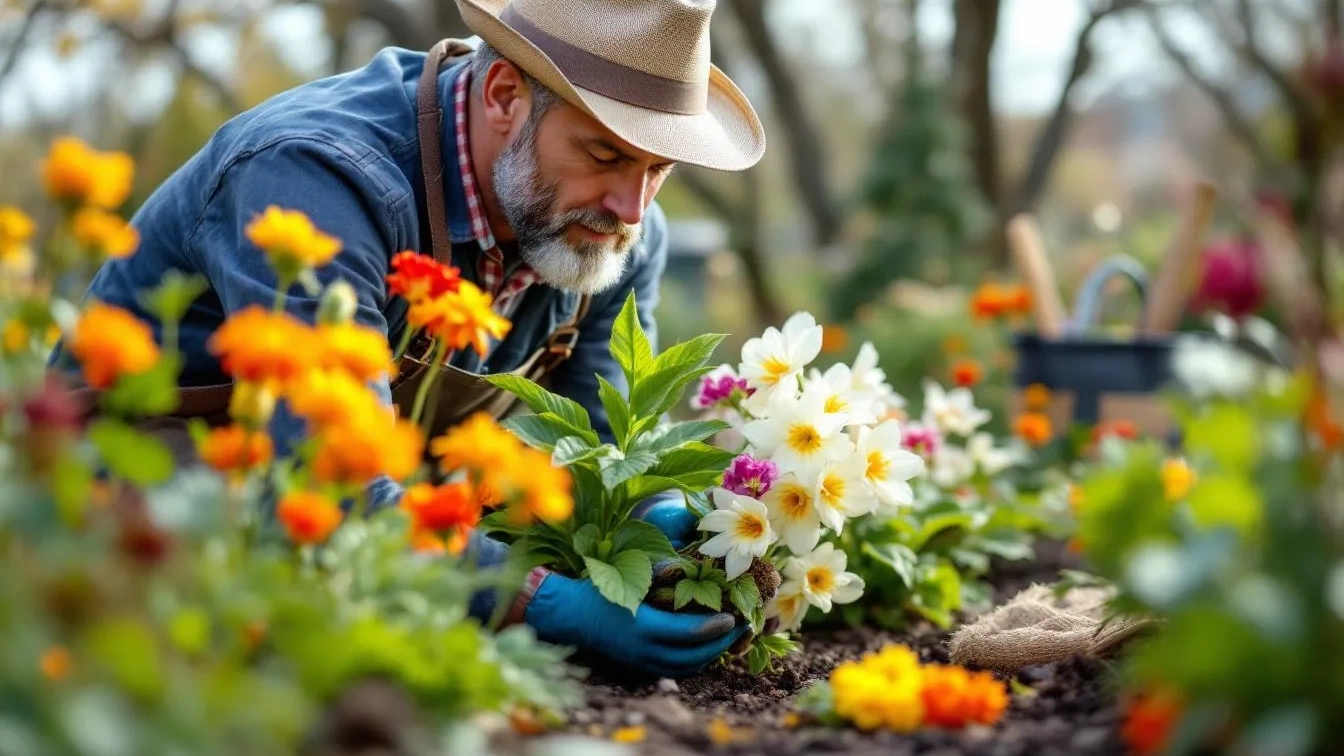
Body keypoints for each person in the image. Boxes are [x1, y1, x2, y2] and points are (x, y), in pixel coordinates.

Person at [48, 0, 766, 678]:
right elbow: (329, 486)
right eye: (606, 156)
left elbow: (602, 453)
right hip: (141, 490)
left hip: (374, 514)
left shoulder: (610, 236)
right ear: (505, 94)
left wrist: (660, 518)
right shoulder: (318, 179)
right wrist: (537, 599)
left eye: (658, 170)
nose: (630, 207)